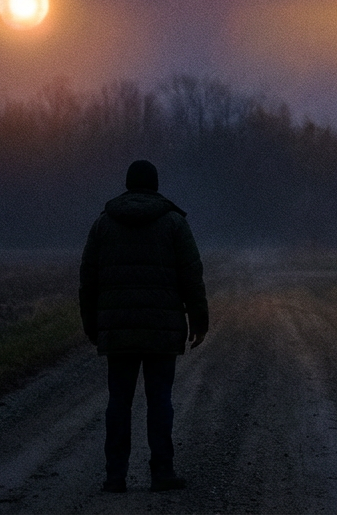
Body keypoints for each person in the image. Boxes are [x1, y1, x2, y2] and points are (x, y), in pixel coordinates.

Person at [79, 160, 208, 493]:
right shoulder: (174, 224)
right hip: (161, 331)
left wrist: (92, 326)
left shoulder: (103, 224)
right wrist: (199, 322)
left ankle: (115, 476)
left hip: (118, 330)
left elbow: (88, 281)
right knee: (160, 401)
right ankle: (162, 473)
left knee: (118, 403)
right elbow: (192, 276)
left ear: (127, 185)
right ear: (155, 185)